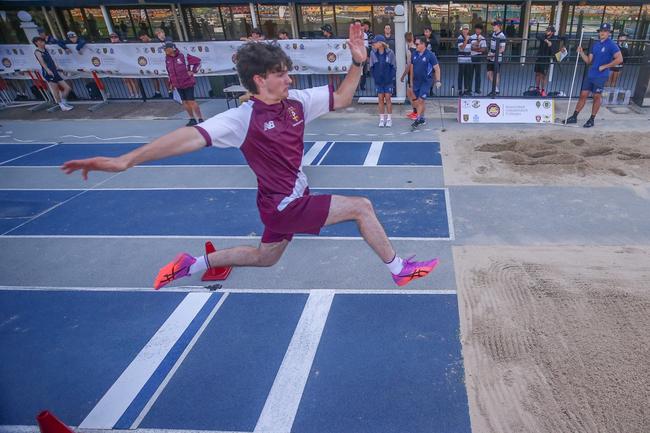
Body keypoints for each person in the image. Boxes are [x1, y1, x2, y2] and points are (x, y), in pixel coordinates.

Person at [61, 24, 440, 290]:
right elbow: (187, 137)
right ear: (260, 79)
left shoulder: (296, 103)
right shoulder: (242, 118)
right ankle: (399, 269)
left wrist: (357, 63)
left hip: (283, 199)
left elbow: (341, 98)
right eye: (281, 74)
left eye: (288, 72)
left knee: (266, 257)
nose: (290, 79)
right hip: (283, 204)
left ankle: (191, 264)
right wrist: (124, 161)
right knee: (361, 206)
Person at [563, 23, 622, 128]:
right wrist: (581, 53)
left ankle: (592, 119)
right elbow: (588, 61)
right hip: (591, 74)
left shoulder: (612, 45)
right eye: (601, 31)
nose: (602, 33)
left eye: (605, 31)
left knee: (596, 97)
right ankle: (574, 116)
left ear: (609, 33)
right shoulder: (596, 44)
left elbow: (619, 59)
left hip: (601, 76)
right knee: (583, 95)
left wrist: (605, 66)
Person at [164, 41, 204, 126]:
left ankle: (200, 119)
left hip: (187, 82)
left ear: (171, 49)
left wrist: (193, 71)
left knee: (191, 101)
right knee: (184, 102)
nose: (164, 51)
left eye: (166, 49)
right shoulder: (167, 58)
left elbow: (198, 62)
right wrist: (171, 83)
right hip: (177, 84)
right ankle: (192, 119)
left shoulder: (183, 56)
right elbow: (169, 72)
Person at [32, 36, 74, 111]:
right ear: (36, 43)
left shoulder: (46, 49)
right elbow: (42, 62)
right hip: (48, 73)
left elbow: (52, 59)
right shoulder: (37, 52)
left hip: (54, 71)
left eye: (43, 41)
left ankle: (63, 101)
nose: (42, 43)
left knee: (67, 88)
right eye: (40, 42)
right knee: (56, 90)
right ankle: (61, 105)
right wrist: (48, 70)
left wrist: (57, 67)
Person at [410, 35, 441, 129]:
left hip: (426, 81)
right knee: (421, 102)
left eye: (417, 44)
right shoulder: (414, 54)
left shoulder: (430, 55)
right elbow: (411, 67)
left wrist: (438, 80)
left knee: (420, 100)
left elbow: (437, 68)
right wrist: (411, 81)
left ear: (423, 44)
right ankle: (422, 118)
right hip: (416, 81)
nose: (415, 45)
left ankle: (418, 119)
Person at [370, 35, 396, 127]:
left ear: (381, 43)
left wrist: (391, 77)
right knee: (380, 99)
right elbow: (371, 67)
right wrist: (375, 77)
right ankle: (381, 119)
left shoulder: (390, 53)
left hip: (388, 81)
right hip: (378, 81)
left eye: (375, 42)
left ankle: (389, 119)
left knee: (388, 98)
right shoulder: (372, 53)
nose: (373, 44)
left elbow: (394, 67)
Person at [110, 32, 140, 99]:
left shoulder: (123, 44)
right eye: (112, 37)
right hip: (120, 65)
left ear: (118, 37)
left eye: (115, 37)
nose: (113, 39)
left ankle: (137, 93)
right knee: (126, 80)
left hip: (127, 64)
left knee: (132, 79)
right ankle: (131, 93)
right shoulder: (111, 46)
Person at [534, 25, 562, 96]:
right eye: (546, 30)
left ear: (552, 32)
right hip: (539, 57)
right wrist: (546, 41)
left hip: (546, 59)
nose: (546, 31)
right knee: (537, 73)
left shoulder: (554, 39)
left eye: (548, 30)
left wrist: (551, 45)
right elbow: (538, 36)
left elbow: (554, 50)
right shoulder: (544, 36)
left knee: (543, 76)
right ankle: (537, 88)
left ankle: (543, 90)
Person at [400, 32, 418, 119]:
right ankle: (415, 111)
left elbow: (408, 65)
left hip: (412, 74)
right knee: (410, 93)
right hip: (417, 73)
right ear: (413, 38)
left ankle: (416, 112)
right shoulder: (417, 48)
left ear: (405, 39)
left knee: (411, 93)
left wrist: (403, 76)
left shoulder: (409, 50)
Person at [487, 21, 506, 96]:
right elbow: (491, 45)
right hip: (491, 55)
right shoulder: (494, 34)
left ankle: (495, 90)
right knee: (488, 73)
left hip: (497, 57)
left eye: (494, 25)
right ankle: (496, 89)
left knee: (496, 73)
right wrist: (489, 54)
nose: (493, 27)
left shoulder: (502, 36)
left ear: (498, 26)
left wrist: (494, 54)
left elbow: (502, 49)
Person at [469, 23, 487, 95]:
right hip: (471, 57)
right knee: (470, 74)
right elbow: (470, 48)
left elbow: (483, 49)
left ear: (481, 30)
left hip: (478, 57)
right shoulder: (471, 37)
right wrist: (478, 47)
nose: (478, 30)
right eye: (477, 29)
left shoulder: (483, 38)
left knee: (478, 74)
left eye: (479, 29)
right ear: (475, 29)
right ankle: (469, 89)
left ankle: (477, 89)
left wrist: (475, 49)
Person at [457, 24, 472, 96]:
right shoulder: (460, 38)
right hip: (461, 59)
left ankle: (466, 90)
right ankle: (459, 90)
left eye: (467, 29)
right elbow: (462, 47)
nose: (465, 30)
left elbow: (472, 46)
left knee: (467, 75)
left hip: (468, 59)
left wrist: (478, 42)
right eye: (464, 29)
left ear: (468, 30)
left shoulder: (470, 38)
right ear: (462, 30)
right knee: (461, 74)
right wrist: (466, 39)